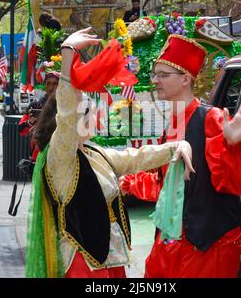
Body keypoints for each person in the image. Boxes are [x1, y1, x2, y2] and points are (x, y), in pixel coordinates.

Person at [25, 28, 194, 278]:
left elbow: (135, 158)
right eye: (92, 111)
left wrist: (176, 146)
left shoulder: (93, 152)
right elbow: (68, 114)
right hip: (81, 262)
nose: (98, 115)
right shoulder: (61, 157)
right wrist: (68, 53)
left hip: (108, 259)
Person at [121, 34, 241, 278]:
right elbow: (165, 184)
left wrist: (234, 145)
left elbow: (233, 181)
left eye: (163, 75)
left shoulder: (212, 118)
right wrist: (126, 181)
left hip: (208, 244)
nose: (156, 81)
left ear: (186, 79)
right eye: (155, 74)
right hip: (172, 237)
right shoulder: (172, 124)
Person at [18, 72, 59, 166]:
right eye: (48, 84)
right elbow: (20, 129)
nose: (51, 87)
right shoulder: (35, 104)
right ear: (44, 85)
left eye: (55, 84)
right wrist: (30, 122)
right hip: (38, 153)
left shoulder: (65, 106)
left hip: (59, 153)